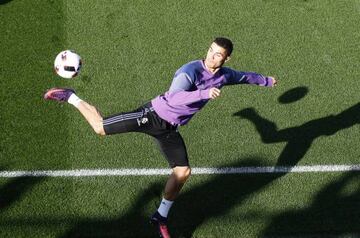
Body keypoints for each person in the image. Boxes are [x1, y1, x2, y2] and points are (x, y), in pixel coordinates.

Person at [44, 37, 277, 238]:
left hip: (169, 129)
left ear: (227, 59)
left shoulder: (224, 75)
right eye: (210, 51)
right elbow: (175, 98)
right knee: (100, 128)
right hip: (152, 115)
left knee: (183, 171)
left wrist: (265, 80)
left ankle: (160, 217)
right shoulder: (189, 72)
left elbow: (244, 77)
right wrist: (204, 93)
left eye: (218, 56)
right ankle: (71, 97)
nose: (211, 58)